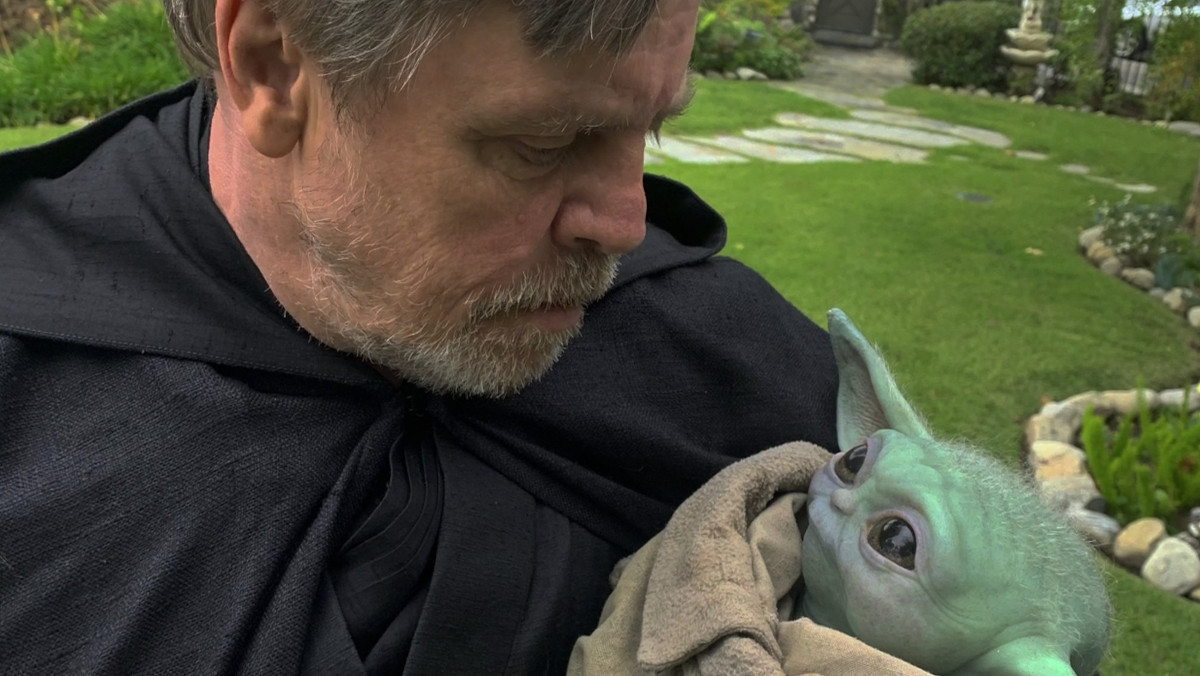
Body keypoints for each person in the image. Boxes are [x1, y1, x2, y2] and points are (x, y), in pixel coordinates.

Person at [0, 0, 840, 672]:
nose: (626, 222)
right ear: (273, 64)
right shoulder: (27, 402)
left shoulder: (725, 356)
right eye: (542, 141)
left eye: (651, 129)